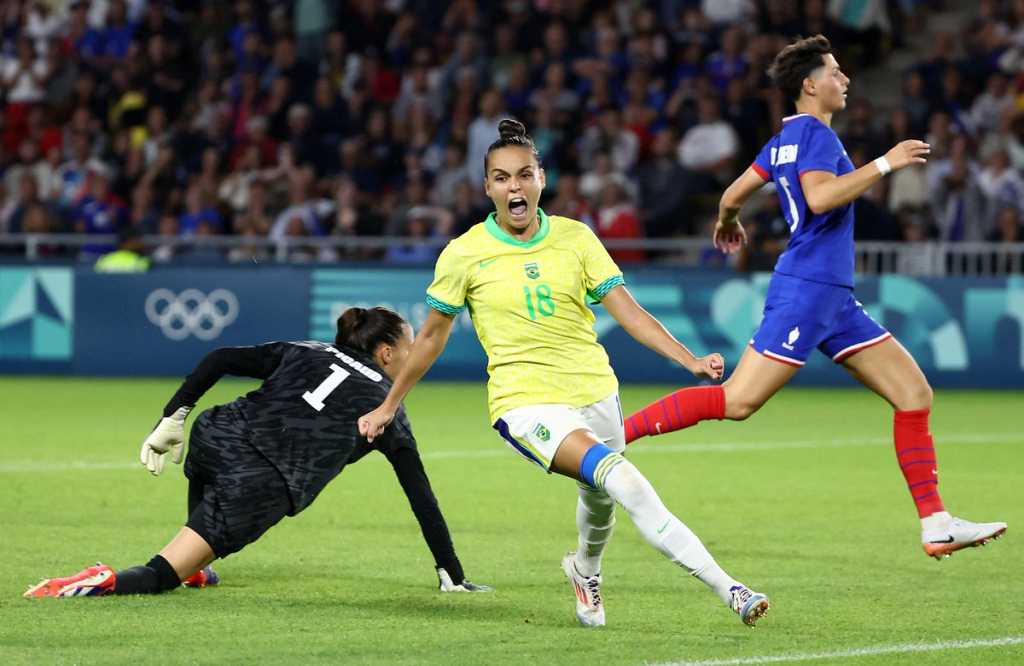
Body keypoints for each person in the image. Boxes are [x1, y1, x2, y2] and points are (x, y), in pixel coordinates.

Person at [359, 119, 769, 628]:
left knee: (601, 503)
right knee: (626, 482)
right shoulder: (464, 253)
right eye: (503, 178)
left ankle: (584, 569)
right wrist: (388, 404)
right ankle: (730, 588)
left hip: (595, 389)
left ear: (541, 179)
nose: (515, 186)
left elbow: (629, 311)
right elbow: (431, 339)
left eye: (524, 175)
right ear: (488, 187)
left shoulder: (576, 239)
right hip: (525, 403)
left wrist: (688, 360)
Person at [622, 35, 1007, 560]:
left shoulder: (782, 141)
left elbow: (733, 194)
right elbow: (821, 198)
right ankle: (613, 437)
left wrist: (728, 222)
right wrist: (886, 164)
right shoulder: (821, 140)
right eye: (835, 71)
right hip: (808, 291)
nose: (844, 79)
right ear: (810, 85)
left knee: (913, 394)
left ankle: (937, 523)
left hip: (833, 300)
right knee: (737, 401)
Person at [25, 307, 489, 597]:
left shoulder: (307, 349)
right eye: (410, 348)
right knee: (158, 576)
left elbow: (221, 357)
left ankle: (197, 568)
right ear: (387, 354)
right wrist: (451, 571)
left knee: (206, 479)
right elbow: (421, 496)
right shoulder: (388, 408)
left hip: (215, 432)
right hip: (261, 482)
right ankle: (99, 580)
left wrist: (174, 415)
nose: (415, 358)